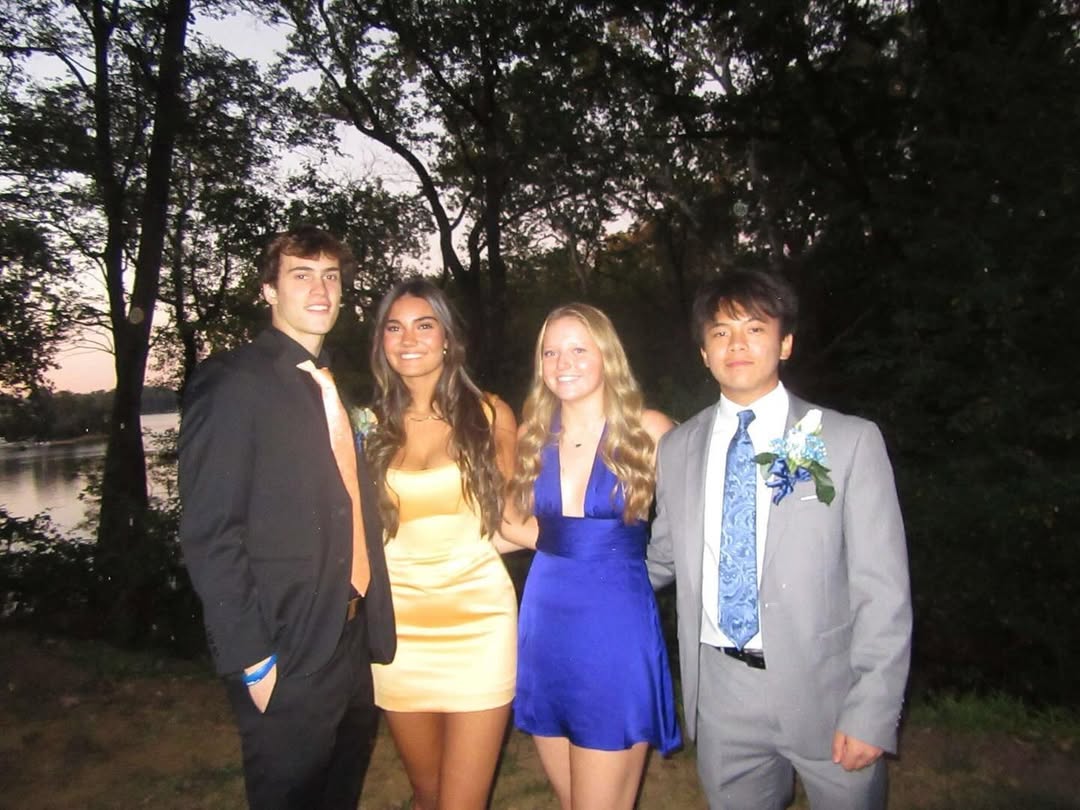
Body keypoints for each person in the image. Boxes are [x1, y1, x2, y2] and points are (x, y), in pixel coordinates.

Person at [647, 268, 912, 810]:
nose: (736, 344)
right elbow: (663, 557)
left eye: (754, 329)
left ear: (785, 343)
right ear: (703, 352)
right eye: (720, 332)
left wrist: (872, 708)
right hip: (722, 693)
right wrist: (576, 570)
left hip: (828, 689)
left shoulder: (843, 440)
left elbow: (882, 587)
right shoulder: (677, 448)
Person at [178, 225, 396, 810]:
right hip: (286, 647)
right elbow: (210, 533)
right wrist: (251, 657)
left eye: (331, 277)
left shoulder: (330, 386)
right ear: (269, 291)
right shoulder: (233, 383)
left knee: (340, 793)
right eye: (301, 275)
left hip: (350, 641)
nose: (320, 290)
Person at [502, 303, 682, 810]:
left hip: (612, 629)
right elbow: (506, 527)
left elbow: (696, 525)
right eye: (551, 352)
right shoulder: (533, 437)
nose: (563, 362)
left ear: (608, 355)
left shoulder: (649, 430)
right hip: (544, 627)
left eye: (579, 349)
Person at [366, 278, 518, 810]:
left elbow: (513, 519)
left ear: (448, 339)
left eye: (424, 325)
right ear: (382, 342)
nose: (408, 338)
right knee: (427, 794)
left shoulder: (490, 414)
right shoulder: (370, 426)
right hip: (398, 630)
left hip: (479, 625)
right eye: (395, 327)